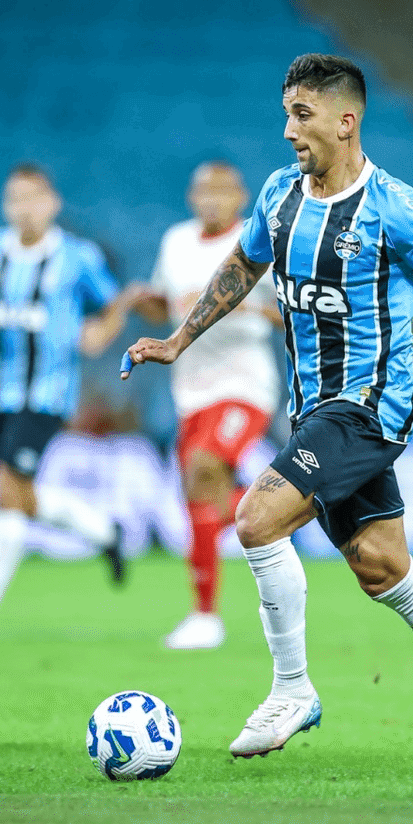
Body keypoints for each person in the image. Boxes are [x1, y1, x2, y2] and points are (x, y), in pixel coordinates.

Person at [123, 54, 413, 774]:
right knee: (381, 567)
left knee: (255, 518)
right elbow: (242, 265)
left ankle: (292, 689)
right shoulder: (281, 194)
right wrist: (179, 339)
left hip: (370, 406)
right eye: (286, 113)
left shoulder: (395, 208)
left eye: (303, 115)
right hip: (313, 408)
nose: (289, 130)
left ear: (346, 121)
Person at [0, 164, 133, 633]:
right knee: (17, 495)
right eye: (14, 199)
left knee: (9, 491)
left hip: (47, 394)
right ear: (5, 206)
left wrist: (99, 335)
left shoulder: (76, 256)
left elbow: (113, 304)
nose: (24, 209)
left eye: (32, 198)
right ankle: (105, 533)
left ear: (52, 203)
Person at [128, 161, 282, 650]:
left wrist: (241, 302)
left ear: (240, 197)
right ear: (192, 198)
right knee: (199, 497)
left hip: (245, 384)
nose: (211, 199)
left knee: (204, 465)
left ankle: (206, 617)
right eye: (202, 191)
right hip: (189, 390)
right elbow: (168, 305)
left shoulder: (260, 242)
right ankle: (297, 506)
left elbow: (292, 311)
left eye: (221, 191)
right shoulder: (175, 242)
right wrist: (144, 302)